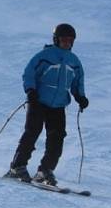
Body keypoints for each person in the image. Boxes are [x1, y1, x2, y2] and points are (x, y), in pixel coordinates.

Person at [5, 23, 88, 186]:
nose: (67, 43)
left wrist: (80, 96)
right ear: (56, 39)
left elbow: (78, 81)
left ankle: (45, 170)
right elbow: (29, 72)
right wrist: (31, 90)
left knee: (57, 138)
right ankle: (17, 167)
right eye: (64, 39)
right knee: (32, 132)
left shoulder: (74, 61)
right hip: (39, 101)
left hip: (58, 105)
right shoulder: (45, 55)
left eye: (70, 40)